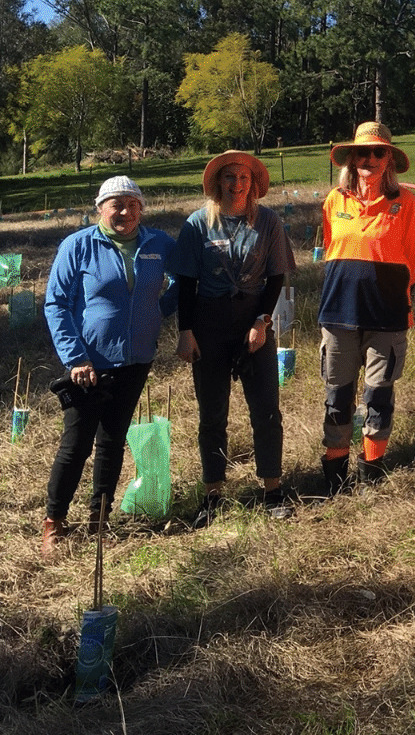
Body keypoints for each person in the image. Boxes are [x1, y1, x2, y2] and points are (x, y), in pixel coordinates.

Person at [41, 176, 176, 558]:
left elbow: (186, 279)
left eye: (133, 204)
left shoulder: (158, 244)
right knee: (76, 445)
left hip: (136, 359)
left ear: (142, 209)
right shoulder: (79, 245)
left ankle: (99, 519)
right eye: (117, 204)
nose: (125, 212)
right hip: (90, 365)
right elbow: (56, 304)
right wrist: (75, 357)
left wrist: (157, 313)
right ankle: (55, 522)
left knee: (113, 439)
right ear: (100, 207)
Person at [171, 151, 296, 526]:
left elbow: (276, 277)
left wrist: (263, 321)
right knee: (212, 414)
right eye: (230, 177)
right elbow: (186, 284)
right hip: (208, 326)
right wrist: (185, 331)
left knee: (266, 410)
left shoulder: (268, 222)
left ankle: (271, 488)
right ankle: (212, 494)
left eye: (243, 177)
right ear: (217, 183)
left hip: (253, 323)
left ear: (253, 183)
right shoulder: (197, 224)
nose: (237, 184)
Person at [318, 122, 415, 495]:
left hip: (387, 316)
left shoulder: (406, 203)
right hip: (339, 313)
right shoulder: (334, 200)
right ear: (352, 158)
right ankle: (334, 469)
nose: (370, 159)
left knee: (378, 393)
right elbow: (331, 251)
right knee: (338, 393)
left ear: (389, 159)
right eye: (363, 152)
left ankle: (371, 469)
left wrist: (390, 295)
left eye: (379, 152)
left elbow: (413, 261)